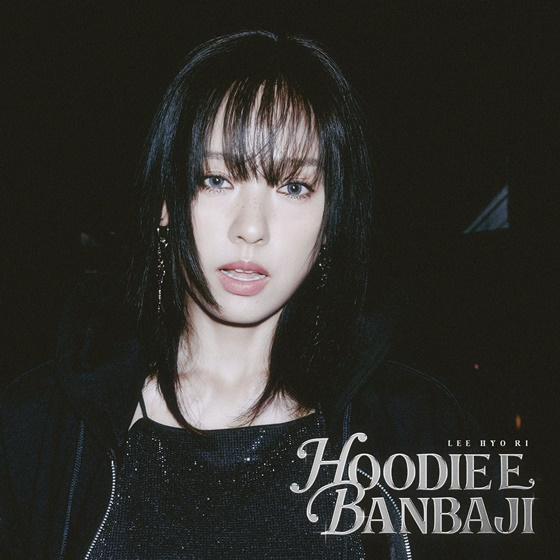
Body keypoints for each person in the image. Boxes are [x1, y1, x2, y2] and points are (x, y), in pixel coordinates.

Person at [0, 31, 498, 559]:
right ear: (166, 200)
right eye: (217, 179)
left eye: (293, 187)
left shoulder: (421, 428)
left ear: (331, 221)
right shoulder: (39, 427)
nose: (251, 228)